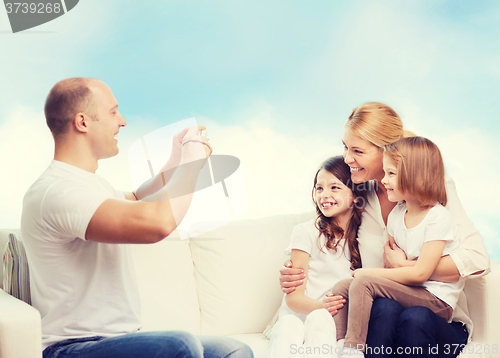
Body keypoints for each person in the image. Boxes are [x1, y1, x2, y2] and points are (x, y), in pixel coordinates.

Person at [21, 77, 253, 358]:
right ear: (82, 122)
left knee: (233, 350)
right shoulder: (57, 191)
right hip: (72, 348)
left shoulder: (87, 184)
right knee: (180, 346)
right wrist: (193, 161)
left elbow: (135, 200)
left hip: (122, 339)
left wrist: (176, 159)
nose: (122, 121)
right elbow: (157, 223)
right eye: (113, 111)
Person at [279, 102, 490, 358]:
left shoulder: (432, 189)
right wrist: (296, 275)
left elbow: (477, 259)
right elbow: (326, 234)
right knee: (384, 309)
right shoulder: (359, 194)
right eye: (345, 147)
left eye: (357, 150)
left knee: (414, 317)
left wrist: (407, 266)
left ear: (388, 150)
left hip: (433, 318)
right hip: (382, 315)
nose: (347, 159)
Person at [332, 136, 464, 358]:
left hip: (435, 299)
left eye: (391, 174)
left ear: (416, 176)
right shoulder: (397, 215)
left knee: (362, 281)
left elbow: (421, 273)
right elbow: (391, 269)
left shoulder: (437, 218)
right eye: (384, 173)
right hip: (410, 292)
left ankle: (352, 351)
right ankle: (338, 343)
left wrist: (366, 273)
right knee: (343, 287)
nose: (383, 180)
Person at [266, 156, 365, 358]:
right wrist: (322, 307)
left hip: (333, 324)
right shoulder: (306, 232)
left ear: (355, 195)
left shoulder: (365, 237)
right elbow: (293, 298)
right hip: (299, 317)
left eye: (334, 187)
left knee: (327, 328)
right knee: (291, 324)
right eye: (319, 188)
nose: (324, 195)